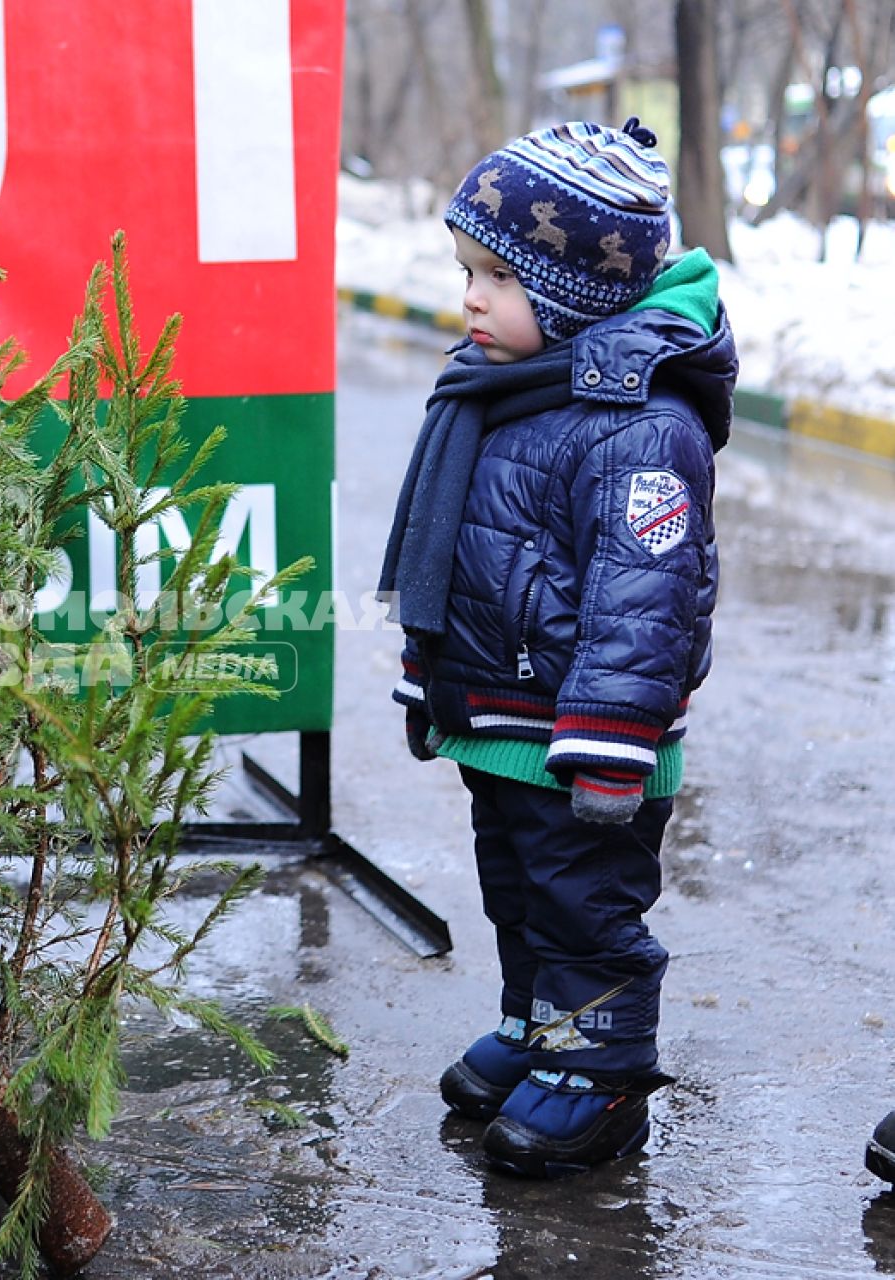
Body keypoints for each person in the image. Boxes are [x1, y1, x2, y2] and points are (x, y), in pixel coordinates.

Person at [376, 119, 737, 1177]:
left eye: (496, 275)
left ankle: (602, 1071)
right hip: (502, 721)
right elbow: (458, 553)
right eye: (465, 272)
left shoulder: (637, 424)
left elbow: (647, 597)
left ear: (578, 293)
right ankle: (542, 1027)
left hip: (584, 737)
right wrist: (424, 676)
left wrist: (614, 741)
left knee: (585, 902)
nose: (469, 299)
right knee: (518, 891)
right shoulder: (500, 387)